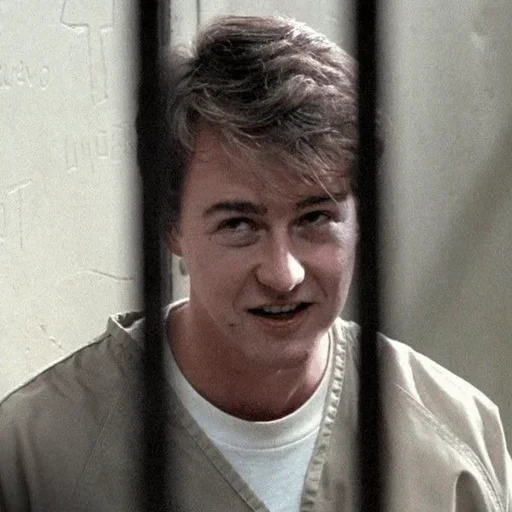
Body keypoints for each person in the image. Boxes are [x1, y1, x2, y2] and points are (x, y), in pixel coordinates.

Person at [0, 15, 510, 512]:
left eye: (315, 217)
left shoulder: (457, 442)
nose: (283, 275)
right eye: (240, 224)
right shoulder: (35, 455)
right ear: (171, 226)